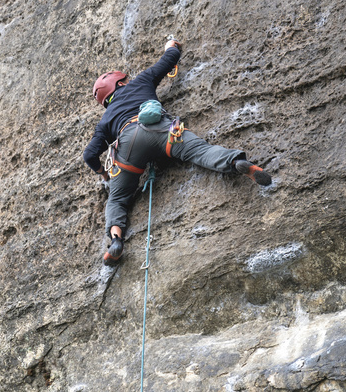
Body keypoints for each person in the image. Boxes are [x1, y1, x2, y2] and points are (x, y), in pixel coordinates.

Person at [84, 39, 272, 265]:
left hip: (128, 146)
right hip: (162, 130)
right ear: (121, 83)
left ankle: (116, 240)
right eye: (125, 79)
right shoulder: (141, 82)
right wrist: (171, 45)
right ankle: (236, 163)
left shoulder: (106, 119)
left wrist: (105, 175)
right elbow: (169, 60)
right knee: (200, 151)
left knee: (117, 198)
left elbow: (89, 155)